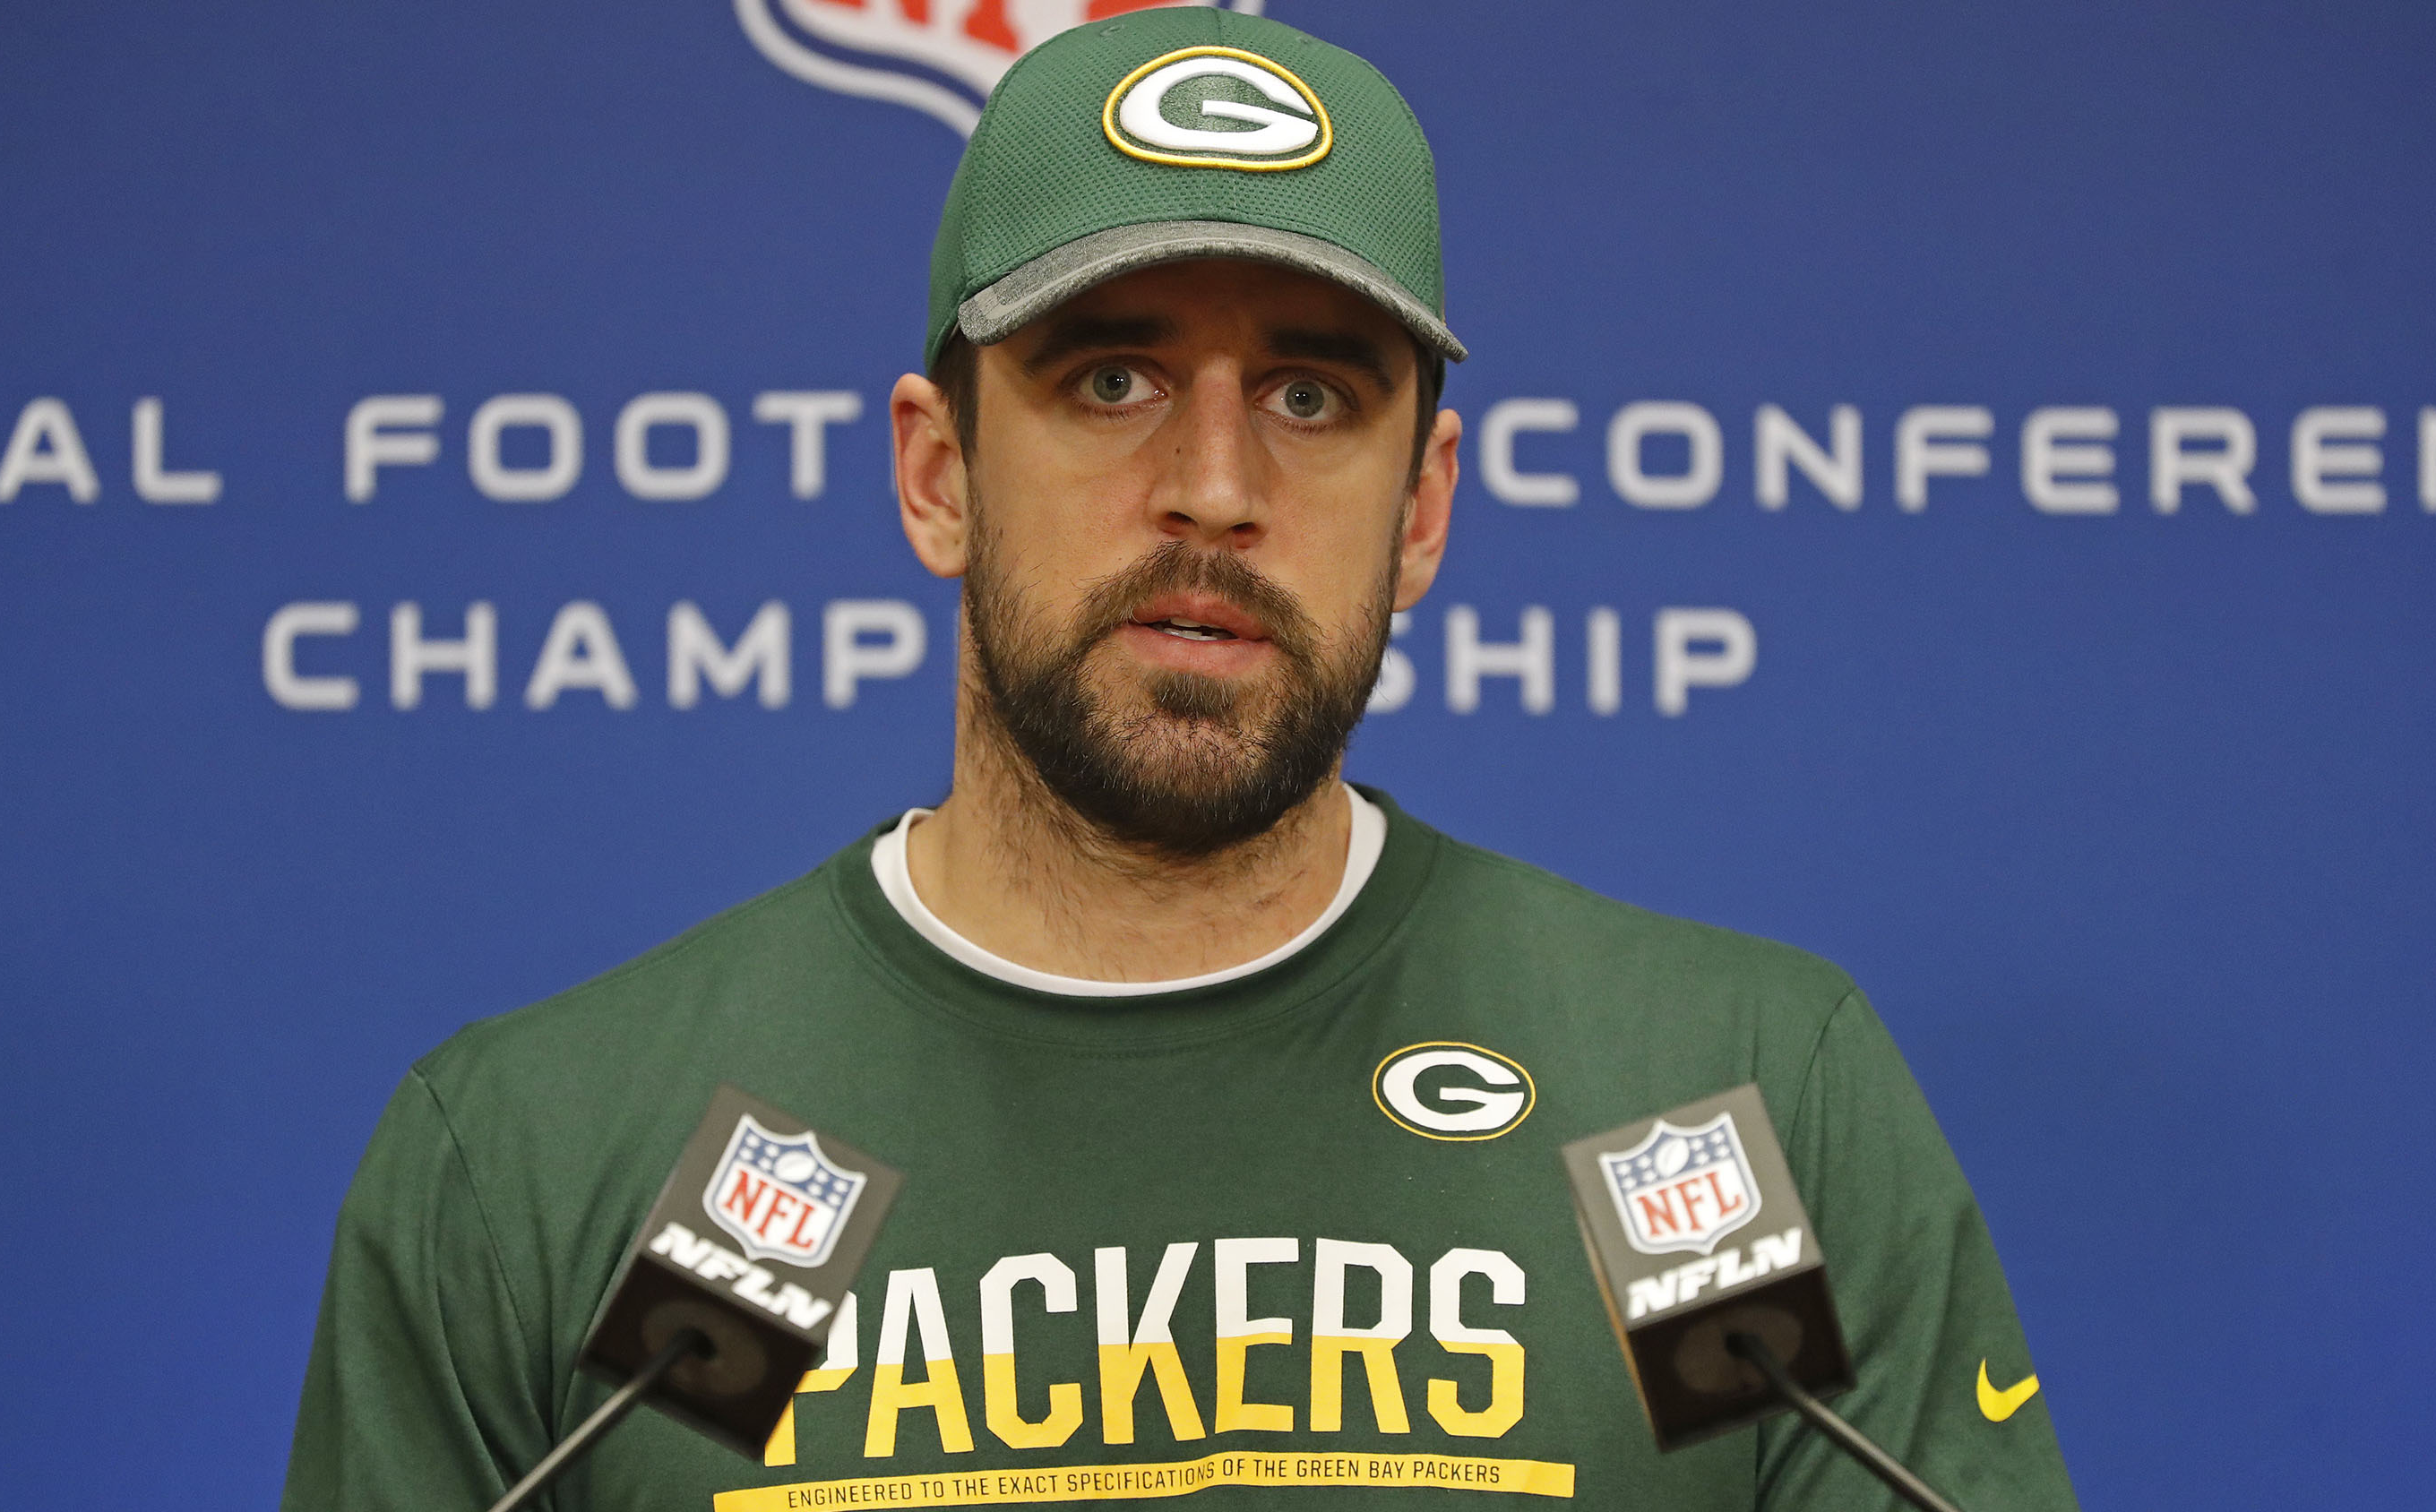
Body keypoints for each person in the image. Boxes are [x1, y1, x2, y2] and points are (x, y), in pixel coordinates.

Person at [282, 12, 2081, 1511]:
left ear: (1426, 507)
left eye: (1313, 395)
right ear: (938, 472)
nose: (1216, 484)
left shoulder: (1728, 1115)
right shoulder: (536, 1158)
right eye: (1112, 378)